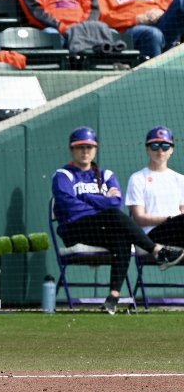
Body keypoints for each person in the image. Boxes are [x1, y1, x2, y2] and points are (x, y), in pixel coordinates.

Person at [51, 127, 183, 315]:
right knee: (111, 214)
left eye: (89, 147)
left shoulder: (106, 175)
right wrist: (100, 202)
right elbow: (68, 204)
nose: (85, 151)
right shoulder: (64, 175)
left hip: (99, 229)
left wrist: (86, 197)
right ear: (72, 150)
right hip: (74, 229)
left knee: (121, 238)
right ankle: (157, 251)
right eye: (80, 147)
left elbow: (116, 202)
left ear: (95, 149)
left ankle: (112, 299)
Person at [126, 127, 184, 246]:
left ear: (171, 150)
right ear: (148, 149)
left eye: (166, 146)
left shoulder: (180, 179)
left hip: (178, 231)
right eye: (155, 145)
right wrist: (169, 219)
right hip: (151, 236)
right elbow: (139, 218)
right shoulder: (138, 178)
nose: (160, 150)